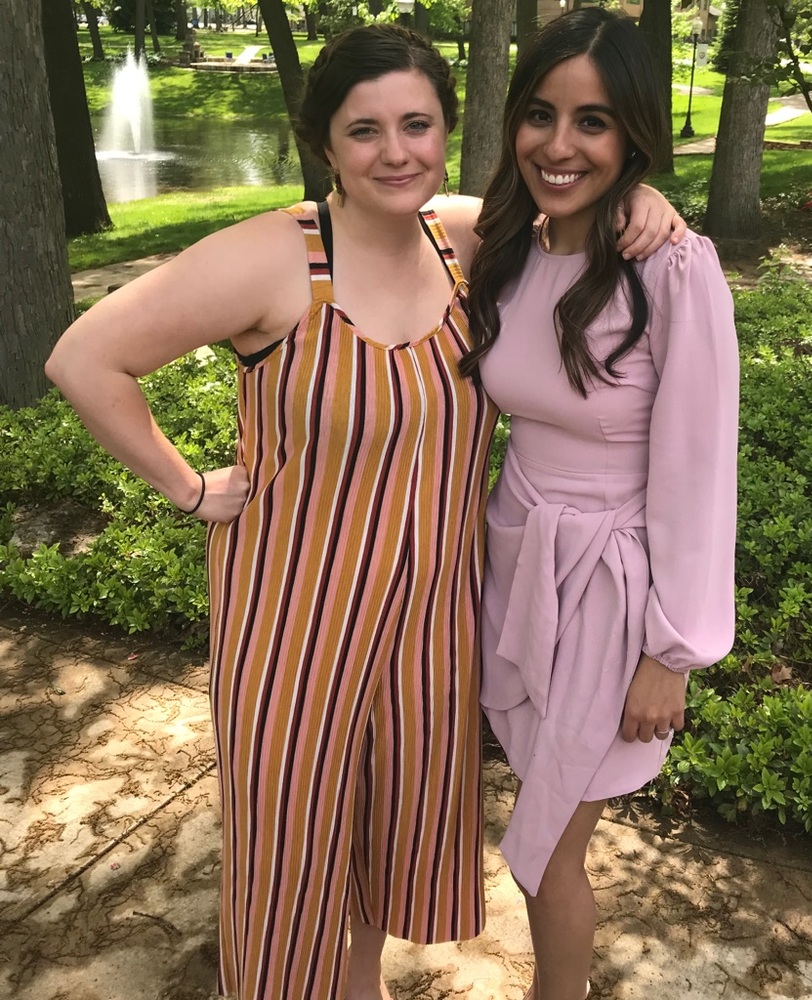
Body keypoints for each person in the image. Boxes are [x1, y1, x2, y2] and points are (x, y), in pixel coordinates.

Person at [46, 23, 685, 1000]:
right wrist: (188, 485)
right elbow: (84, 358)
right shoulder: (271, 257)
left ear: (444, 130)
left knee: (389, 845)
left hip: (432, 626)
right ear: (324, 143)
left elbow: (577, 198)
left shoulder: (466, 236)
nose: (397, 152)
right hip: (295, 624)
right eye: (365, 131)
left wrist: (643, 194)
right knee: (290, 857)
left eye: (418, 125)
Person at [464, 9, 740, 1000]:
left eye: (592, 121)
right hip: (515, 571)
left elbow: (700, 471)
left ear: (631, 132)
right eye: (540, 115)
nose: (559, 144)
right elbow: (391, 197)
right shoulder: (505, 248)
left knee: (544, 847)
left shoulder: (672, 268)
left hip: (606, 598)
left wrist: (670, 653)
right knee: (542, 834)